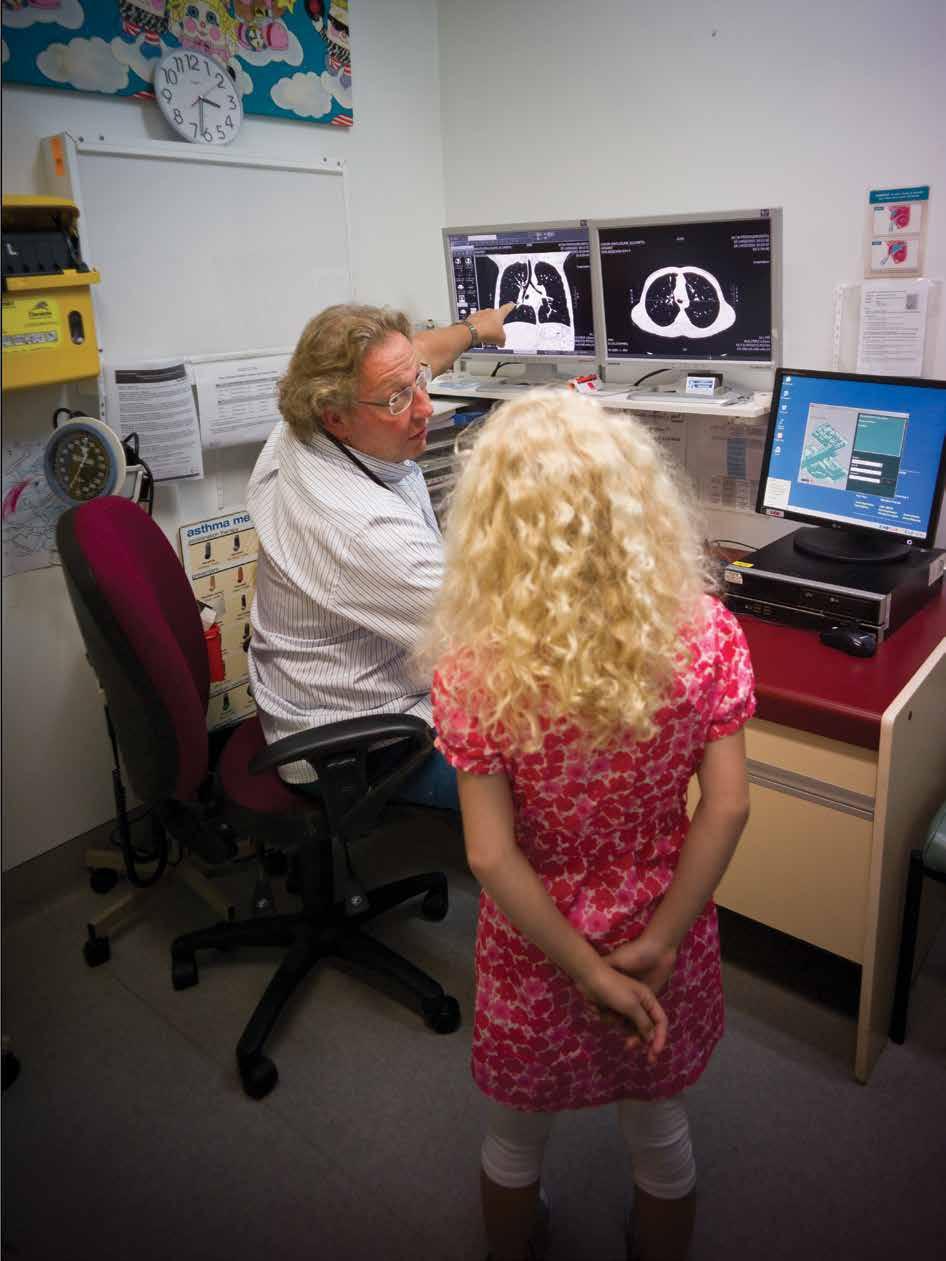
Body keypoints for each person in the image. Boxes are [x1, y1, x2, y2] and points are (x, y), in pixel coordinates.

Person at [427, 390, 754, 1261]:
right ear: (635, 500)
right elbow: (728, 805)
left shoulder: (476, 670)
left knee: (513, 1140)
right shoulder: (707, 636)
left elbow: (489, 852)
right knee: (661, 1135)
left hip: (537, 943)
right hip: (658, 921)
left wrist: (581, 967)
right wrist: (660, 942)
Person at [246, 300, 512, 806]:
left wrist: (475, 330)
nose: (425, 407)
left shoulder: (301, 425)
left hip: (311, 692)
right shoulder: (363, 530)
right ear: (336, 416)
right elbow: (505, 642)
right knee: (560, 774)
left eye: (419, 382)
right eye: (398, 399)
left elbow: (421, 354)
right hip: (362, 743)